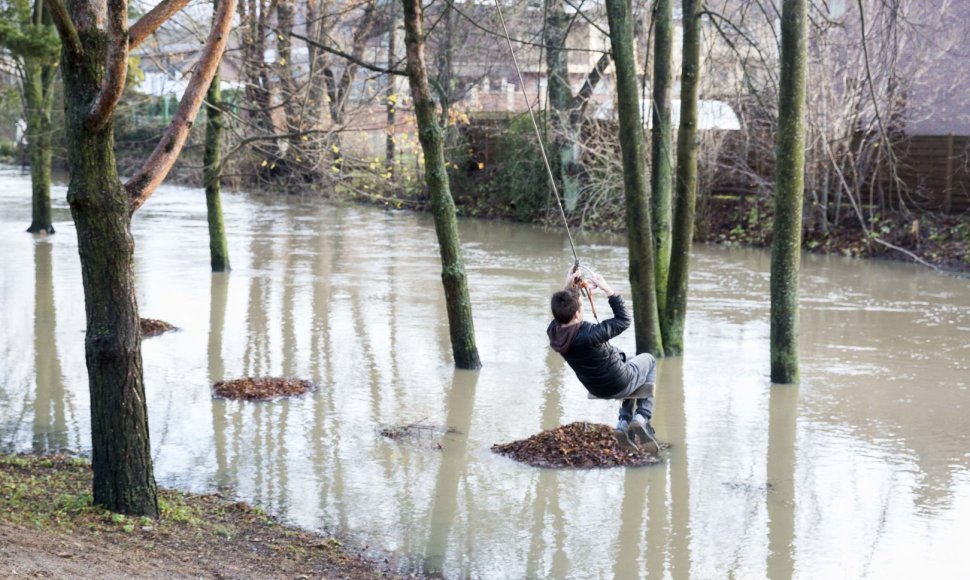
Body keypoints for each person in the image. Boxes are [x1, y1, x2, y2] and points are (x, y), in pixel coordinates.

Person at [547, 267, 659, 453]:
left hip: (595, 386)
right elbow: (623, 320)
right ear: (576, 314)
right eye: (581, 306)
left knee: (630, 362)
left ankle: (623, 422)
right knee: (649, 360)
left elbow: (560, 313)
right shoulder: (590, 334)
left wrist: (568, 286)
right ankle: (641, 417)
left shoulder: (554, 334)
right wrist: (608, 290)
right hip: (618, 382)